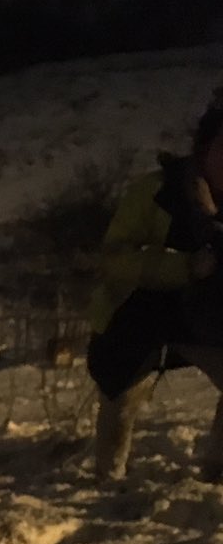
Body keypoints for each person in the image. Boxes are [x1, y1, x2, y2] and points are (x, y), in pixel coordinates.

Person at [87, 99, 223, 481]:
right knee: (121, 397)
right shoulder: (156, 192)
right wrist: (184, 267)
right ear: (204, 148)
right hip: (138, 315)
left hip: (206, 318)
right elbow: (113, 257)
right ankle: (107, 480)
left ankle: (216, 472)